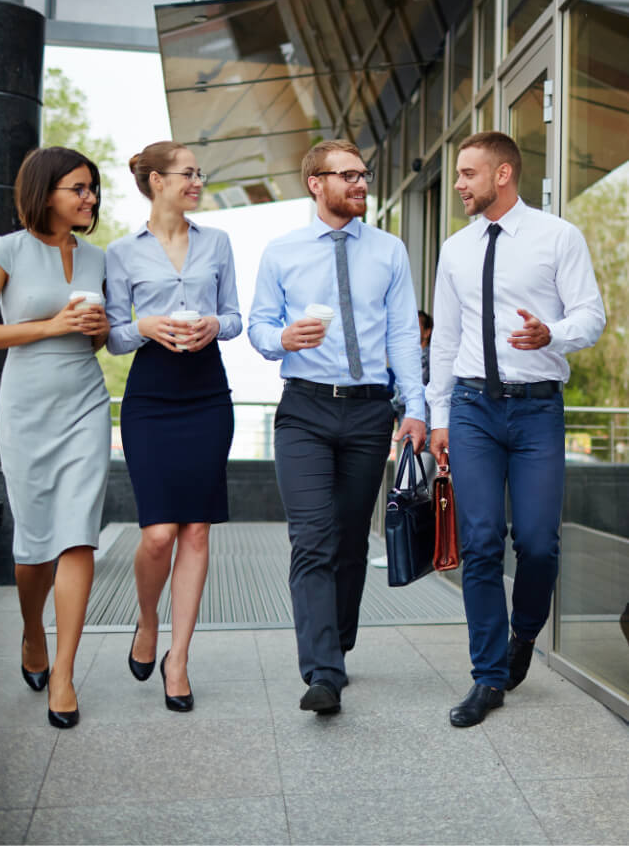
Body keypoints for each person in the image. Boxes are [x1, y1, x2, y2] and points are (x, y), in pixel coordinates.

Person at [426, 131, 605, 727]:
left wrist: (551, 333)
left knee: (536, 540)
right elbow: (445, 340)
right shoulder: (454, 249)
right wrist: (440, 415)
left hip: (536, 410)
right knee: (478, 541)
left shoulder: (558, 238)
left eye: (468, 173)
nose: (458, 184)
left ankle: (523, 634)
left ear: (503, 175)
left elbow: (591, 315)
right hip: (474, 408)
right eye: (458, 174)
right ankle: (487, 676)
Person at [249, 139, 425, 714]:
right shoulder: (282, 252)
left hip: (371, 409)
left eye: (364, 173)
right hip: (303, 408)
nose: (360, 183)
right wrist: (282, 339)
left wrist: (416, 407)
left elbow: (403, 334)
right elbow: (258, 325)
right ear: (315, 184)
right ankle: (323, 670)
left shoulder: (390, 251)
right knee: (313, 538)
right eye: (347, 175)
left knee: (351, 539)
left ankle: (338, 639)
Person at [0, 146, 111, 730]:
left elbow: (93, 339)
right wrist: (50, 324)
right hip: (24, 410)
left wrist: (98, 330)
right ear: (45, 191)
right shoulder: (7, 250)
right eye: (79, 187)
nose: (89, 197)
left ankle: (65, 675)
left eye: (92, 188)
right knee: (36, 543)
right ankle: (31, 632)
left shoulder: (97, 257)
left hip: (86, 405)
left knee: (79, 538)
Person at [105, 141, 241, 713]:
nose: (197, 182)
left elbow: (235, 317)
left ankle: (178, 659)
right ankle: (146, 620)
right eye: (188, 174)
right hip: (152, 395)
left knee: (197, 531)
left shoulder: (218, 242)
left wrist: (215, 322)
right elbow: (112, 333)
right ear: (157, 181)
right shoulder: (120, 252)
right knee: (158, 533)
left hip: (207, 392)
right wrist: (146, 325)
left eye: (198, 174)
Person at [372, 308, 434, 569]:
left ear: (427, 331)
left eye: (415, 326)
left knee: (408, 494)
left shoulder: (428, 357)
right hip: (412, 433)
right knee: (415, 493)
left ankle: (402, 553)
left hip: (428, 434)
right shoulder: (409, 357)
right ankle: (413, 552)